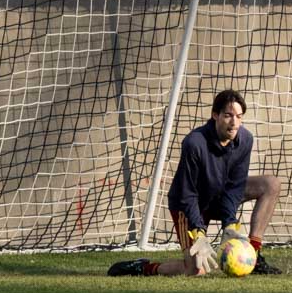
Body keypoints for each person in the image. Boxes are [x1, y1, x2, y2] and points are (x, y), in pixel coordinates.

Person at [108, 89, 282, 276]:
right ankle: (143, 267)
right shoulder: (194, 143)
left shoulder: (245, 139)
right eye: (228, 116)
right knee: (195, 270)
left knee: (270, 184)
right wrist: (198, 232)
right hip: (190, 205)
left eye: (239, 117)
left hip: (219, 196)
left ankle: (254, 255)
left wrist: (229, 224)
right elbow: (187, 194)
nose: (234, 123)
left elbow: (235, 187)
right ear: (215, 115)